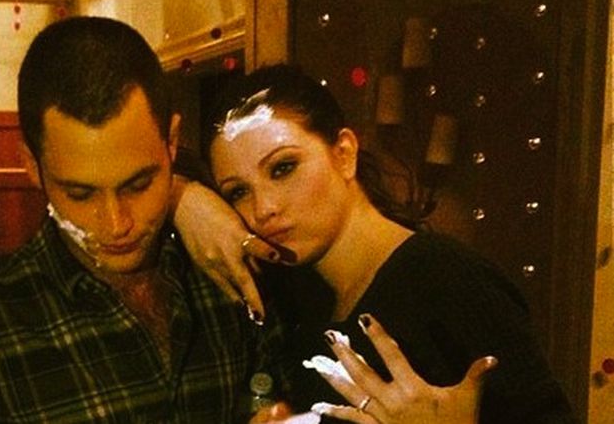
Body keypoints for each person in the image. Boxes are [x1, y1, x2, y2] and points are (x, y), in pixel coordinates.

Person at [0, 16, 289, 423]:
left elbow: (278, 389)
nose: (116, 224)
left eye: (139, 185)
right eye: (80, 194)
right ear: (30, 164)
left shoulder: (225, 267)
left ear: (171, 142)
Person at [187, 64, 576, 423]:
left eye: (283, 168)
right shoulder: (303, 298)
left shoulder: (444, 277)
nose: (263, 209)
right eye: (238, 192)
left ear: (344, 154)